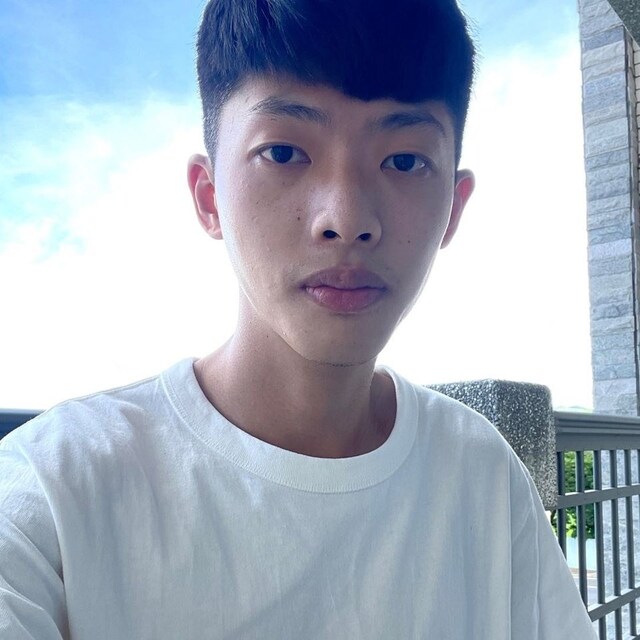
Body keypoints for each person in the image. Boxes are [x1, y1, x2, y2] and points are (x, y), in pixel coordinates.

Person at [0, 0, 597, 638]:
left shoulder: (483, 477)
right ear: (209, 197)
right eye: (283, 151)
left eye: (403, 161)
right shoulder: (51, 497)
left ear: (453, 207)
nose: (347, 218)